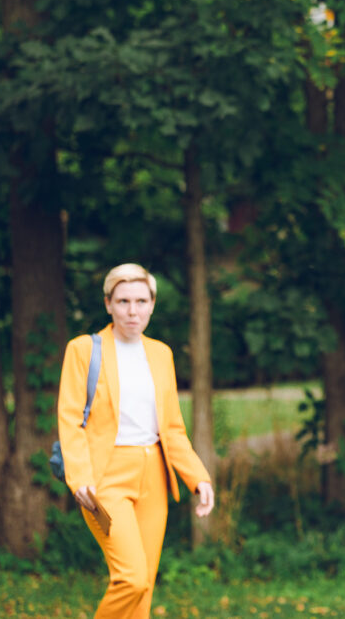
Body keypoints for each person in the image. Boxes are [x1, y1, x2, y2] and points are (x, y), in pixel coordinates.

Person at [57, 263, 215, 618]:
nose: (133, 310)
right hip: (106, 477)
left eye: (141, 301)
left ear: (152, 304)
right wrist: (79, 478)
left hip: (154, 479)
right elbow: (69, 420)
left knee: (143, 593)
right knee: (132, 579)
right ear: (108, 304)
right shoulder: (83, 349)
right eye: (124, 300)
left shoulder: (161, 354)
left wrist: (198, 477)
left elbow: (172, 428)